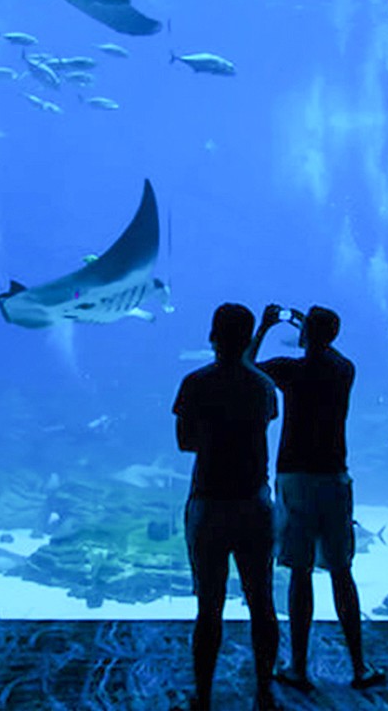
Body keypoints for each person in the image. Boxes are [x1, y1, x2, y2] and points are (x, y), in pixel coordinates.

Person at [249, 304, 384, 692]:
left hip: (295, 477)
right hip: (334, 478)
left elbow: (247, 369)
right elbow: (332, 351)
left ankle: (297, 667)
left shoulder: (290, 370)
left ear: (307, 335)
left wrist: (266, 326)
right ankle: (359, 666)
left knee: (300, 572)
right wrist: (312, 329)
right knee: (342, 571)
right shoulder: (344, 370)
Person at [172, 303, 282, 711]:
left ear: (212, 335)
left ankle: (202, 696)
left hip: (209, 505)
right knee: (262, 602)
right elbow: (266, 416)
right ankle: (265, 692)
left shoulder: (195, 383)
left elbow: (184, 442)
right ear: (247, 334)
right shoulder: (264, 386)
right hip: (254, 503)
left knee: (209, 607)